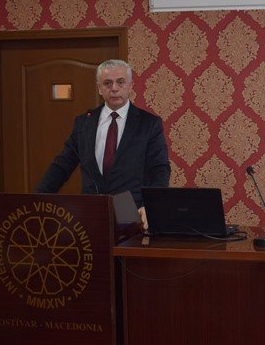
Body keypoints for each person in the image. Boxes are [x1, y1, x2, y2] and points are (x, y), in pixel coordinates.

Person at [35, 59, 170, 228]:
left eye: (120, 82)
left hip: (130, 210)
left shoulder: (148, 123)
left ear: (130, 86)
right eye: (107, 83)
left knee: (126, 246)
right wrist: (36, 199)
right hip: (90, 210)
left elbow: (159, 169)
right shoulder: (84, 123)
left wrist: (152, 206)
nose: (114, 88)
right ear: (99, 88)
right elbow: (63, 164)